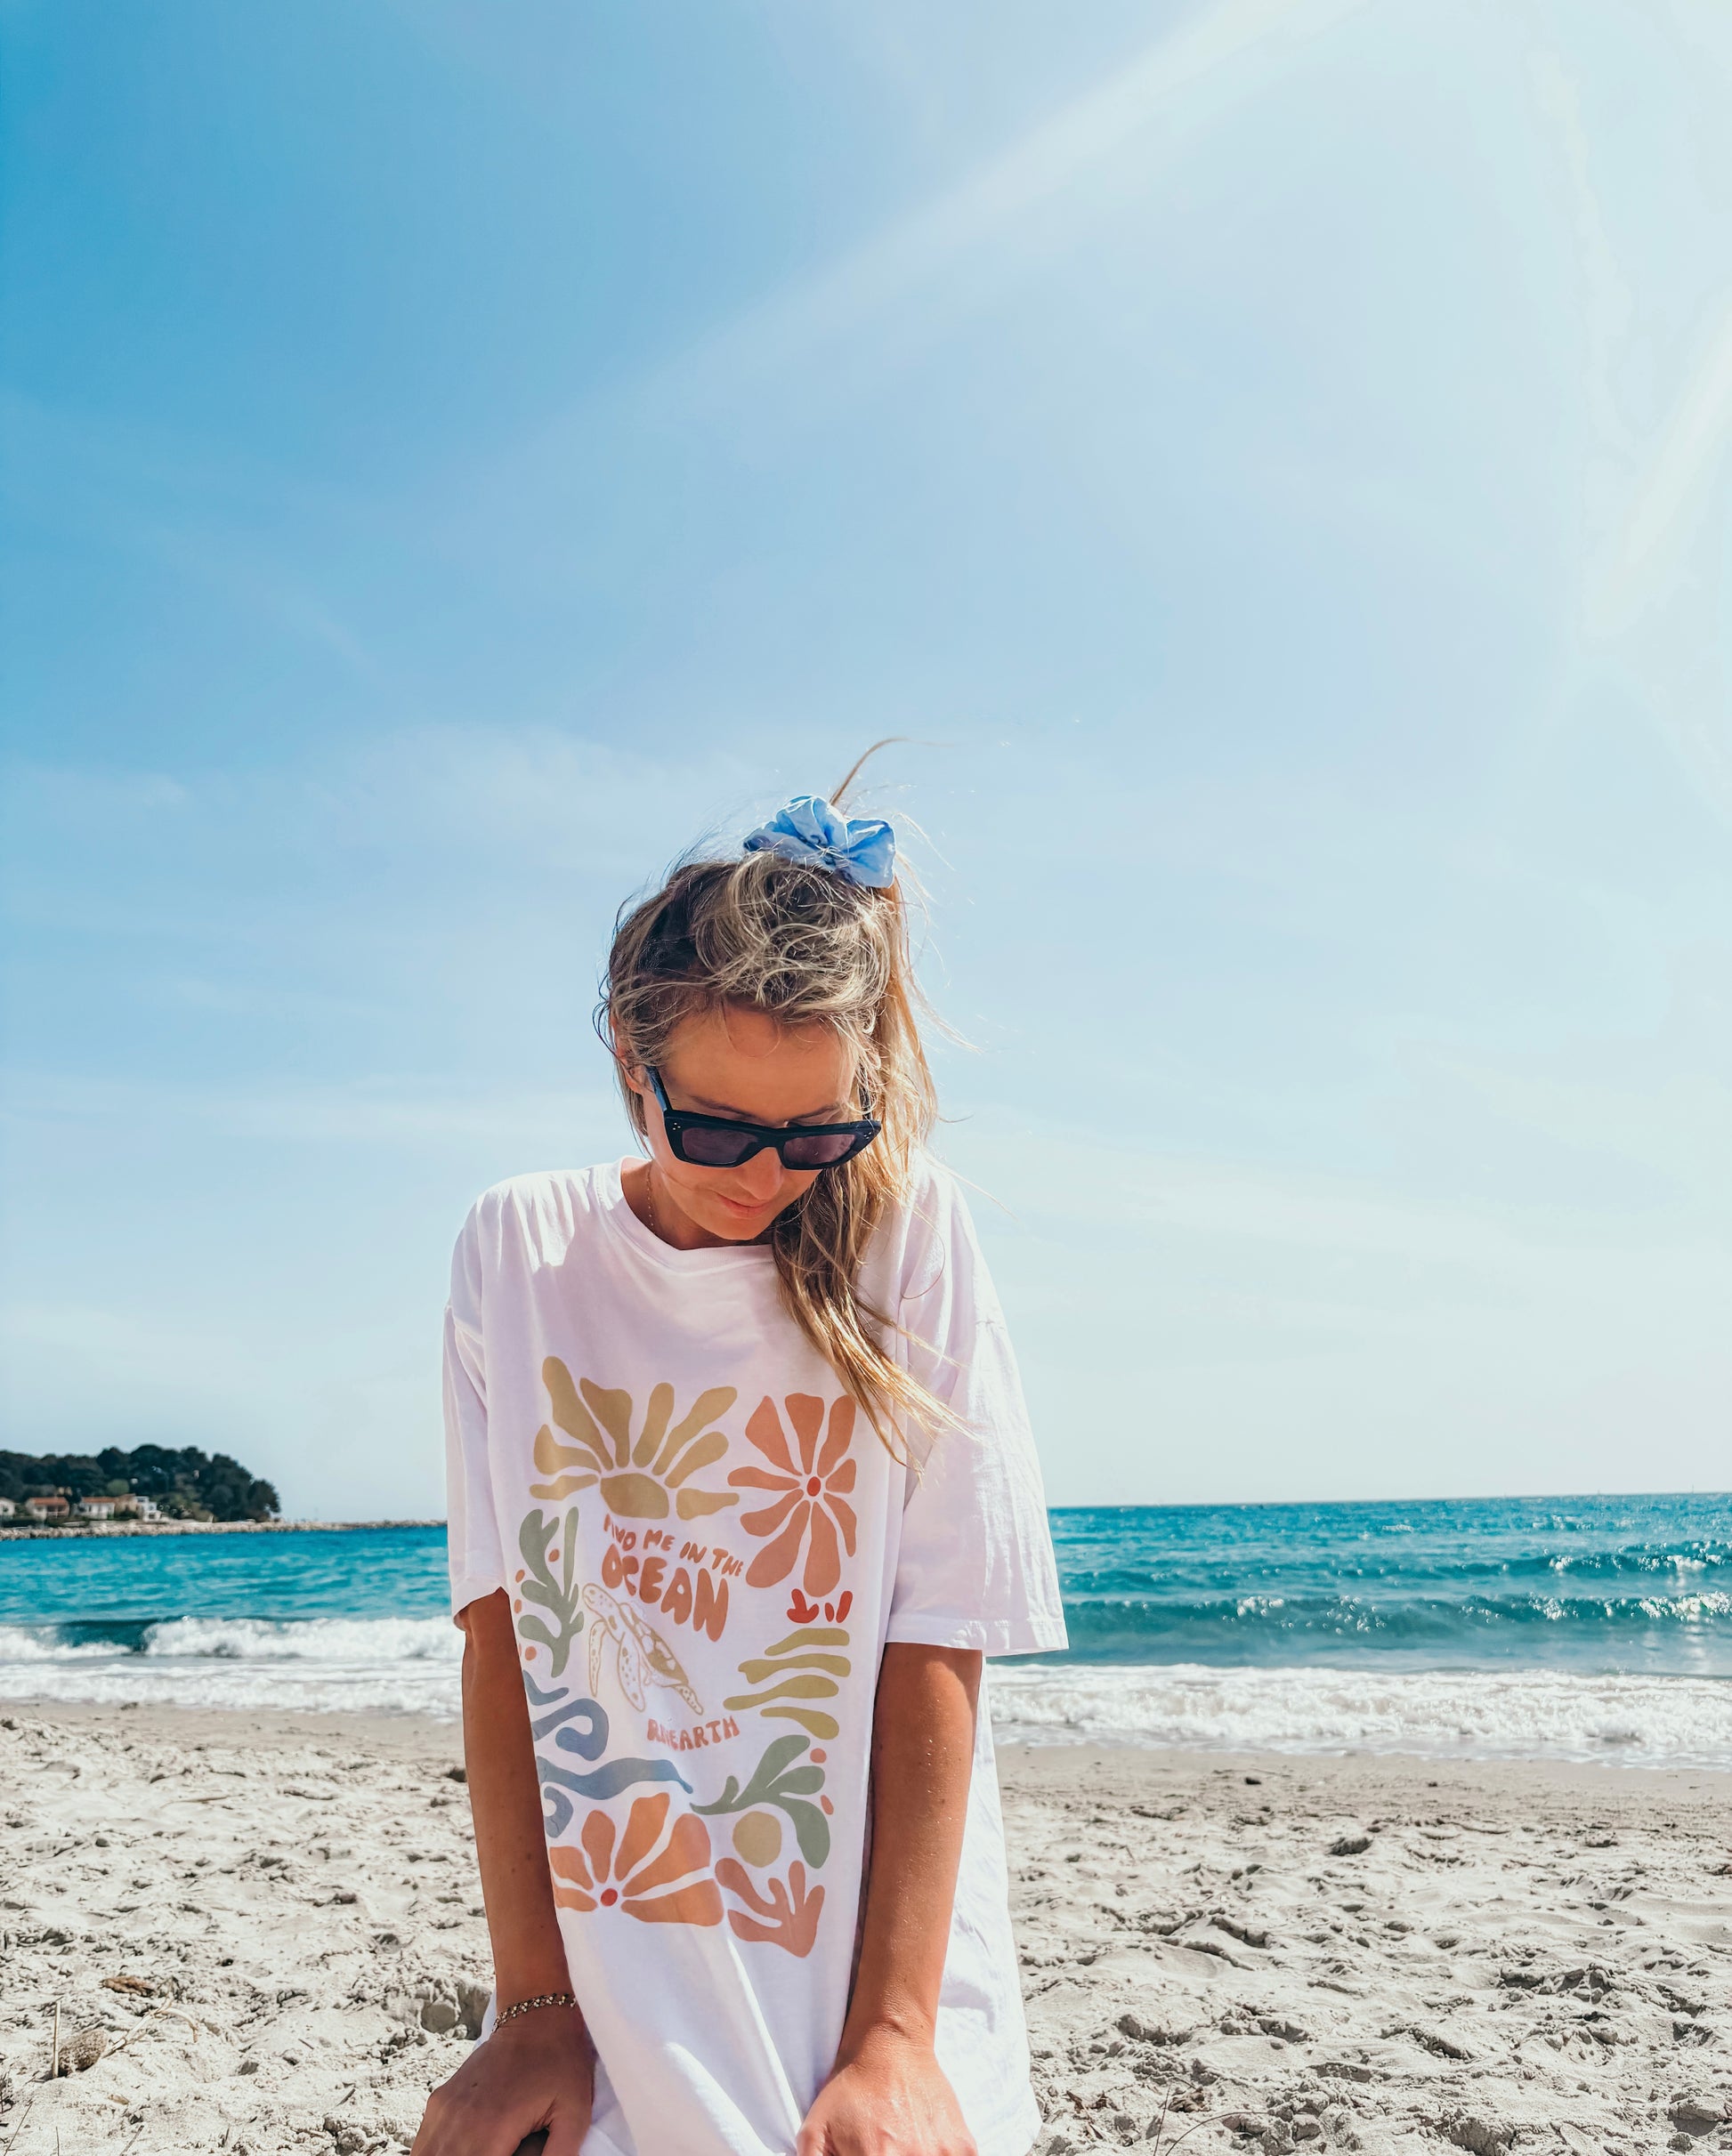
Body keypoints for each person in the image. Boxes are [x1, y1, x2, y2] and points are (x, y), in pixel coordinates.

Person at [414, 766, 1066, 2156]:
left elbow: (938, 1640)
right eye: (714, 1128)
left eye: (817, 1133)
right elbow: (502, 1637)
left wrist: (896, 2042)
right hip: (616, 1976)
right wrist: (534, 2011)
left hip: (873, 1982)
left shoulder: (909, 1237)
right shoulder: (515, 1251)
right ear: (626, 1060)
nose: (766, 1177)